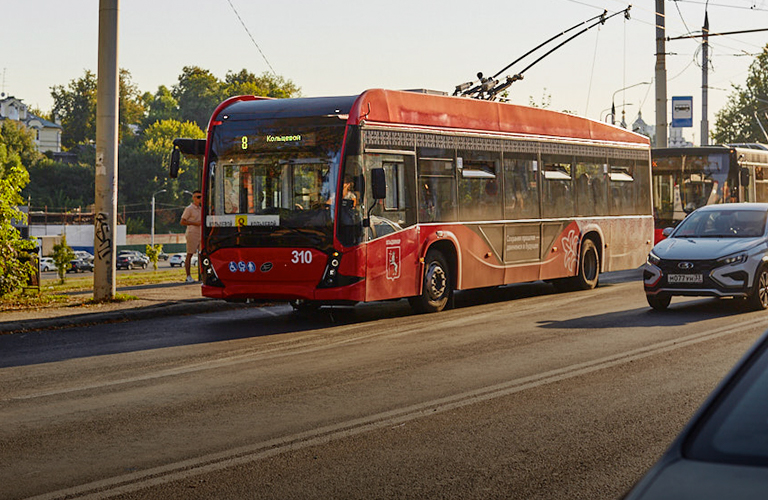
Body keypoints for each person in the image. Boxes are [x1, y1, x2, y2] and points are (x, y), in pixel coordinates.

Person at [180, 190, 202, 283]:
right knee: (190, 254)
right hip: (192, 233)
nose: (200, 199)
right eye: (198, 197)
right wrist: (195, 223)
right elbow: (182, 221)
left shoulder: (202, 209)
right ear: (193, 198)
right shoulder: (189, 209)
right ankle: (188, 276)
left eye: (201, 197)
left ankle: (202, 275)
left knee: (202, 254)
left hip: (201, 233)